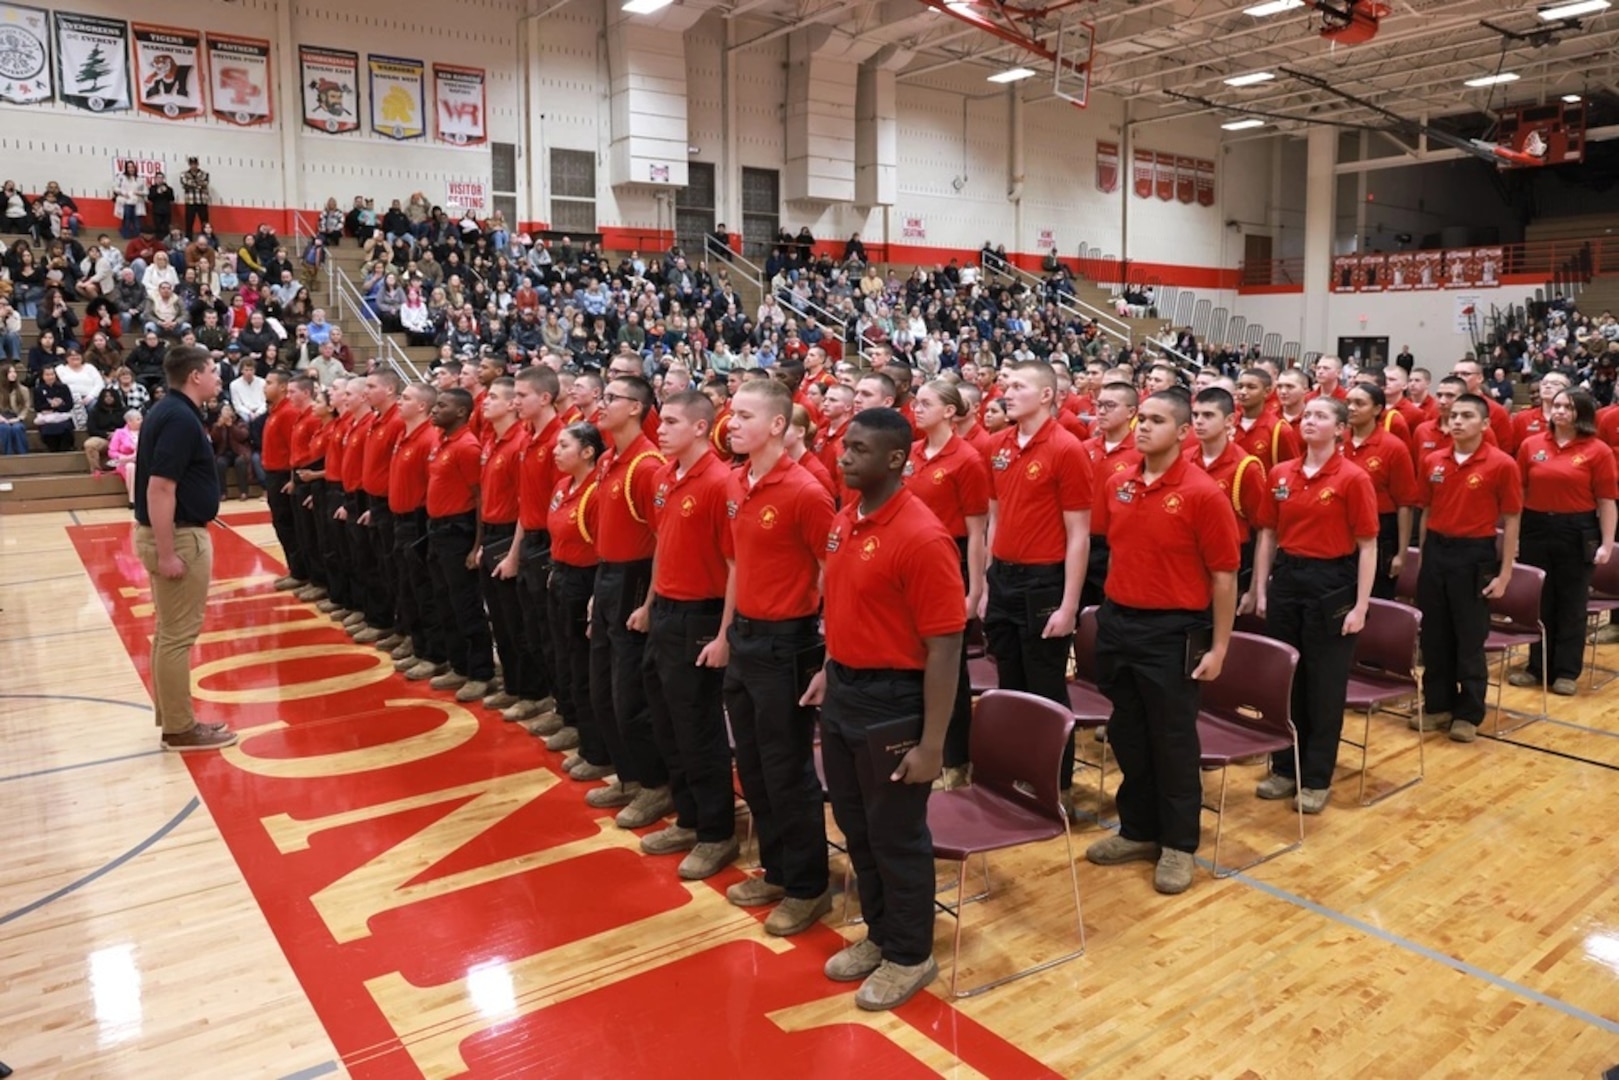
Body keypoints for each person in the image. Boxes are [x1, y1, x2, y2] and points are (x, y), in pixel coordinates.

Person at [805, 406, 964, 1011]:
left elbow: (945, 648)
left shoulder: (921, 536)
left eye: (859, 449)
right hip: (844, 689)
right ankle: (880, 934)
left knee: (897, 833)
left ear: (895, 459)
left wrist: (932, 744)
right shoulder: (847, 519)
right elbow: (847, 609)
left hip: (895, 701)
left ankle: (910, 954)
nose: (843, 456)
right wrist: (828, 670)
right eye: (845, 446)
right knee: (856, 827)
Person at [1084, 391, 1240, 895]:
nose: (1144, 427)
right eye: (1142, 419)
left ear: (1183, 431)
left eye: (1156, 420)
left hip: (1172, 630)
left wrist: (1219, 647)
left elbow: (1223, 577)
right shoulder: (1119, 484)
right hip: (1118, 623)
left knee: (1173, 740)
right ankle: (1138, 828)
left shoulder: (1202, 493)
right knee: (1128, 732)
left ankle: (1178, 844)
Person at [722, 376, 837, 936]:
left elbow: (835, 576)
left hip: (787, 642)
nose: (732, 423)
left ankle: (809, 886)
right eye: (730, 413)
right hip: (745, 637)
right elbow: (738, 566)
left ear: (775, 425)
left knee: (787, 768)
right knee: (753, 764)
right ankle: (777, 867)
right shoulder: (738, 482)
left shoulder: (806, 492)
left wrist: (829, 659)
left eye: (743, 415)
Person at [1250, 397, 1378, 814]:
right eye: (1307, 415)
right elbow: (1267, 534)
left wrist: (1360, 606)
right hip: (1288, 577)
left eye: (1321, 416)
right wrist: (1261, 587)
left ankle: (1317, 776)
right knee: (1287, 679)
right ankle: (1285, 767)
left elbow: (1368, 545)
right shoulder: (1280, 473)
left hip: (1332, 582)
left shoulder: (1352, 478)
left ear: (1341, 429)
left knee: (1324, 684)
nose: (1310, 421)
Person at [635, 389, 739, 879]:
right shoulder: (662, 476)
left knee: (698, 728)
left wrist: (724, 634)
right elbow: (662, 543)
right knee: (667, 720)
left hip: (702, 615)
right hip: (667, 612)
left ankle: (717, 833)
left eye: (672, 421)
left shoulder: (720, 482)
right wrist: (650, 603)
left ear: (700, 427)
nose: (661, 428)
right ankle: (689, 815)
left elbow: (737, 565)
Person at [982, 361, 1092, 810]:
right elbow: (994, 515)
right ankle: (1015, 769)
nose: (1007, 392)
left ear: (1046, 395)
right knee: (1009, 681)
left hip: (1044, 580)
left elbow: (1079, 532)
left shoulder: (1066, 448)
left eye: (1019, 386)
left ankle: (1054, 781)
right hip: (1004, 577)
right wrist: (988, 581)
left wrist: (1069, 605)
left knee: (1045, 685)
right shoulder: (998, 445)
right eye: (1007, 385)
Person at [133, 345, 236, 750]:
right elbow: (161, 487)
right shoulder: (178, 417)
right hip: (177, 535)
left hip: (173, 531)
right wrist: (167, 551)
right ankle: (180, 729)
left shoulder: (170, 410)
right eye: (213, 370)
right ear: (195, 375)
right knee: (178, 636)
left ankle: (174, 719)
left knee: (167, 634)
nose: (218, 377)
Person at [582, 374, 672, 827]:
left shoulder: (647, 465)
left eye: (611, 398)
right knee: (602, 688)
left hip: (637, 580)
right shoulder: (608, 461)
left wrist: (649, 603)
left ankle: (655, 784)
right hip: (608, 576)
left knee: (630, 694)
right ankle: (628, 775)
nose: (602, 404)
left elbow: (662, 540)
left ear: (636, 407)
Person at [1413, 393, 1522, 744]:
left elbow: (1512, 518)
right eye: (1453, 415)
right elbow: (1426, 510)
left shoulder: (1501, 464)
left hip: (1474, 554)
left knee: (1469, 637)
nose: (1457, 421)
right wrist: (1423, 553)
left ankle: (1468, 712)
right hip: (1436, 552)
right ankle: (1438, 705)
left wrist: (1505, 573)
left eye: (1466, 416)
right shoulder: (1433, 460)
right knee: (1434, 635)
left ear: (1485, 423)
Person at [904, 379, 989, 788]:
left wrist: (974, 588)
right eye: (915, 402)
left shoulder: (967, 459)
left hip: (950, 558)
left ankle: (957, 760)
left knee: (949, 665)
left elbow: (977, 531)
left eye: (925, 403)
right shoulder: (913, 453)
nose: (916, 409)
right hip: (911, 559)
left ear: (950, 412)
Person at [1511, 389, 1617, 695]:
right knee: (1539, 600)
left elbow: (1607, 501)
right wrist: (1514, 538)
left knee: (1571, 602)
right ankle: (1537, 666)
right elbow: (1518, 494)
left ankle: (1567, 671)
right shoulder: (1531, 445)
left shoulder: (1598, 451)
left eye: (1567, 407)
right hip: (1535, 526)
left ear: (1581, 414)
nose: (1558, 411)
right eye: (1556, 405)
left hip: (1577, 529)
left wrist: (1607, 543)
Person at [543, 421, 611, 768]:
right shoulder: (561, 485)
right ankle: (572, 722)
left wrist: (594, 594)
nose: (556, 452)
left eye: (564, 446)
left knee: (584, 665)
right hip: (560, 574)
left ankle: (596, 748)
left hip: (584, 582)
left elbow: (603, 550)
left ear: (587, 452)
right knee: (563, 656)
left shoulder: (596, 493)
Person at [424, 387, 496, 698]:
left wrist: (476, 545)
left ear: (462, 412)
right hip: (437, 530)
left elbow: (480, 497)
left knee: (465, 604)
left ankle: (480, 672)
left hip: (459, 532)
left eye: (442, 406)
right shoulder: (442, 441)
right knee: (444, 600)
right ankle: (459, 665)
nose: (434, 410)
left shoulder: (467, 446)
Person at [385, 384, 447, 681]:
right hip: (399, 519)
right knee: (407, 585)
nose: (400, 401)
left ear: (422, 406)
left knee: (424, 590)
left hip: (418, 521)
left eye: (406, 398)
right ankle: (416, 642)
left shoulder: (429, 439)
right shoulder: (404, 434)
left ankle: (433, 654)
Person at [1342, 384, 1419, 600]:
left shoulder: (1394, 447)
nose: (1351, 408)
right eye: (1348, 402)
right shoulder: (1336, 441)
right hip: (1340, 526)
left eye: (1359, 403)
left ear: (1377, 409)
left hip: (1381, 529)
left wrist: (1401, 553)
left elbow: (1405, 504)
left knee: (1375, 596)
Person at [31, 365, 75, 451]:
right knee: (47, 429)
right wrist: (50, 405)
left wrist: (56, 407)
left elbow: (69, 405)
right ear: (43, 376)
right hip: (46, 418)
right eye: (47, 375)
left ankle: (65, 449)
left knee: (65, 428)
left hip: (62, 415)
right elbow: (38, 407)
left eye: (52, 374)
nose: (50, 377)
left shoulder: (63, 387)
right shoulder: (38, 390)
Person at [114, 162, 146, 240]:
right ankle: (126, 236)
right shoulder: (121, 178)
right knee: (126, 220)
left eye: (132, 167)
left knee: (137, 222)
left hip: (137, 202)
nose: (131, 169)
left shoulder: (140, 179)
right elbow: (115, 188)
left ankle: (137, 237)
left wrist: (139, 193)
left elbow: (146, 191)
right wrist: (123, 193)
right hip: (126, 201)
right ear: (126, 168)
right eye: (129, 167)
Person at [181, 157, 210, 237]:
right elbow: (185, 184)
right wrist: (198, 184)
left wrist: (192, 184)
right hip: (190, 202)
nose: (193, 166)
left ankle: (205, 238)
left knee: (204, 222)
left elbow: (204, 184)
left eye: (195, 164)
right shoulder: (184, 174)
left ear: (198, 164)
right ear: (189, 165)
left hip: (202, 201)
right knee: (189, 222)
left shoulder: (205, 174)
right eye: (191, 164)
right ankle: (188, 239)